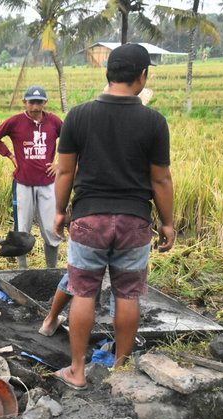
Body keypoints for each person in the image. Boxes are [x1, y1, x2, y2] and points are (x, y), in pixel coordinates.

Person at [53, 43, 174, 390]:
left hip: (89, 219)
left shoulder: (78, 115)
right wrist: (167, 222)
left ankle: (77, 371)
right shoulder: (153, 121)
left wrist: (61, 211)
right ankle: (120, 371)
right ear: (142, 76)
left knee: (83, 292)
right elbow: (161, 178)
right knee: (128, 295)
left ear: (108, 74)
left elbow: (65, 172)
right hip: (134, 222)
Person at [0, 85, 63, 269]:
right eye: (32, 102)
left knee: (51, 229)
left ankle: (51, 270)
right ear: (25, 102)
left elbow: (72, 140)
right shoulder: (15, 122)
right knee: (22, 228)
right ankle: (23, 270)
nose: (35, 106)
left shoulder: (54, 122)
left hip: (47, 183)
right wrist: (10, 155)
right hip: (23, 183)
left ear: (45, 103)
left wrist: (59, 164)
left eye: (39, 102)